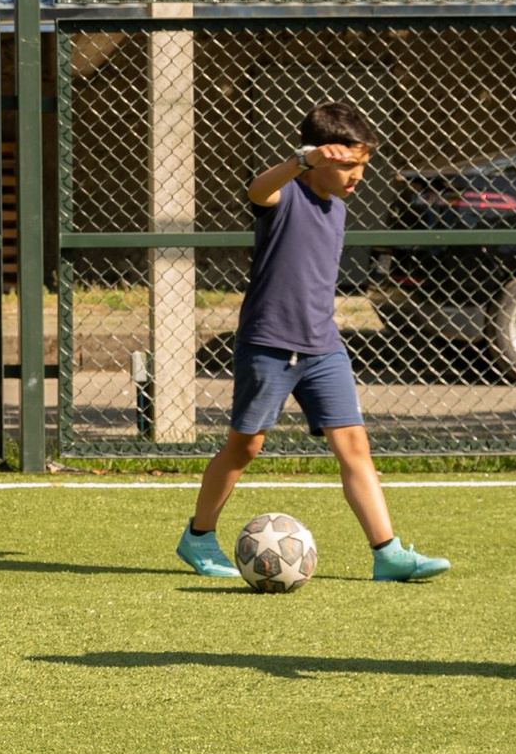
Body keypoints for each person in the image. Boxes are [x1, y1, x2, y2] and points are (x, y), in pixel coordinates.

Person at [176, 102, 449, 584]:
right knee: (245, 447)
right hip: (268, 345)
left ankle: (387, 554)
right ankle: (198, 537)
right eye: (348, 165)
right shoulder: (285, 196)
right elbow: (257, 190)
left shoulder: (338, 208)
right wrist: (301, 161)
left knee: (355, 447)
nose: (357, 175)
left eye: (362, 165)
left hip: (324, 348)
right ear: (318, 157)